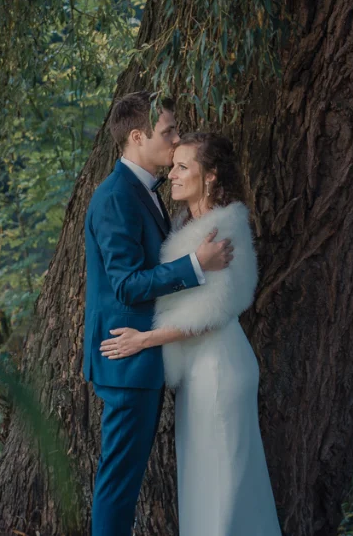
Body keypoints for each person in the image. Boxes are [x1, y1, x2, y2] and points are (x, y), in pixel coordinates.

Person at [100, 131, 281, 536]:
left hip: (219, 369)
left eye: (184, 167)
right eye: (174, 164)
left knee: (223, 486)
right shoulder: (190, 224)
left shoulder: (222, 229)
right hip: (200, 369)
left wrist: (142, 339)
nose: (173, 174)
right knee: (206, 482)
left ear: (211, 176)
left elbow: (210, 313)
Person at [83, 93, 234, 536]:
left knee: (123, 483)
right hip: (127, 358)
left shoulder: (142, 192)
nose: (176, 139)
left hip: (139, 358)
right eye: (168, 131)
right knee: (118, 485)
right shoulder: (116, 198)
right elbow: (127, 284)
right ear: (136, 137)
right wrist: (195, 266)